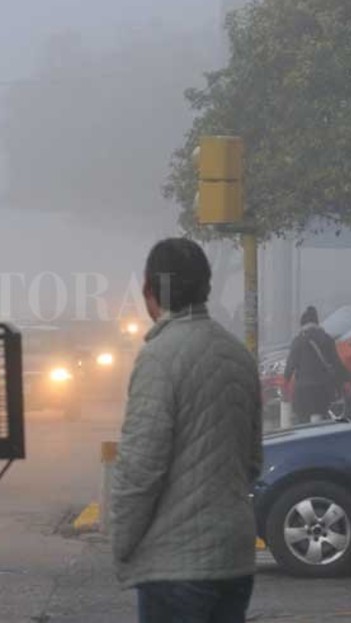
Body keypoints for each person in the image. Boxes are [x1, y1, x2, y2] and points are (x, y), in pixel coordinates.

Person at [110, 238, 262, 623]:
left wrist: (122, 542)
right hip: (235, 558)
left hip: (176, 567)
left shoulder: (158, 358)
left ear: (149, 291)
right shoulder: (238, 355)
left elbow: (140, 468)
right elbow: (253, 460)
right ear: (206, 288)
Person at [283, 306, 351, 423]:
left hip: (303, 391)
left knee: (303, 422)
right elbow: (336, 363)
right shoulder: (327, 339)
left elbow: (290, 364)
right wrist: (346, 381)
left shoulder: (298, 341)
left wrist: (286, 382)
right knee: (322, 421)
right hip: (323, 389)